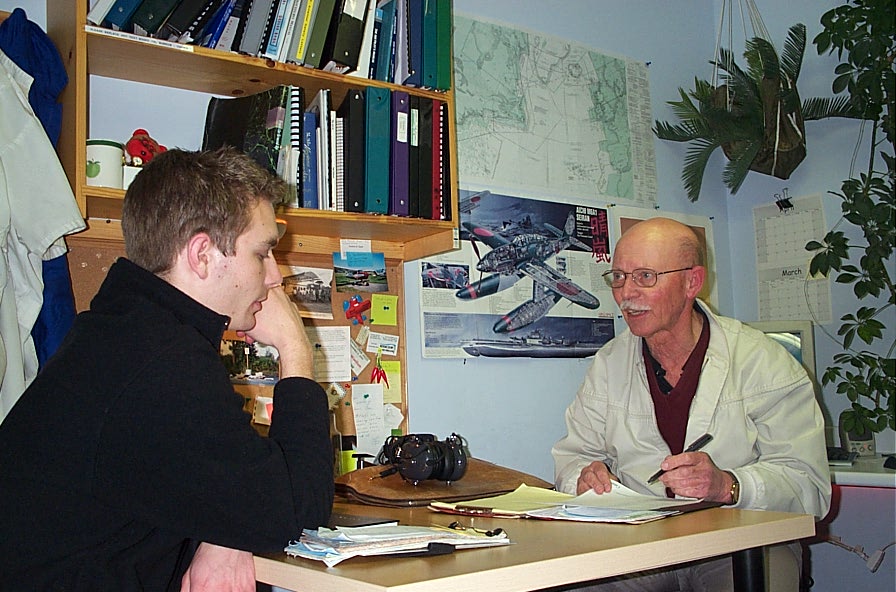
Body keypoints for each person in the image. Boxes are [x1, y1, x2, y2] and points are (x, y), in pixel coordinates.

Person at [0, 147, 334, 591]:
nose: (275, 277)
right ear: (202, 255)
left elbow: (218, 476)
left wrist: (225, 535)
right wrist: (296, 351)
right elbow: (297, 510)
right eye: (263, 253)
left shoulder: (124, 332)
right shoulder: (159, 363)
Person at [551, 217, 831, 591]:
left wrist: (729, 486)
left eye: (645, 277)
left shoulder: (764, 362)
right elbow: (572, 459)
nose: (625, 294)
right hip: (644, 543)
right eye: (618, 277)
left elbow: (810, 487)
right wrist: (584, 477)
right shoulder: (608, 364)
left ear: (692, 282)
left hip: (743, 539)